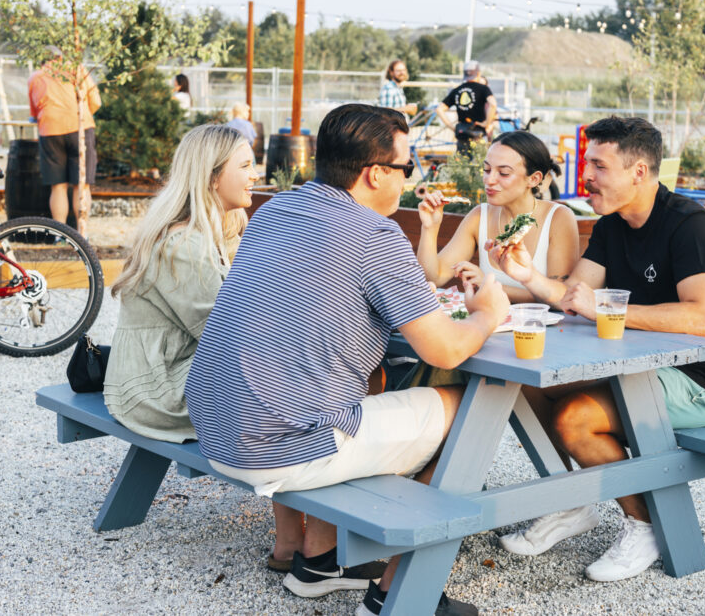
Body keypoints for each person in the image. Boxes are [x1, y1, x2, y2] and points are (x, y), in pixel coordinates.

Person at [185, 103, 509, 616]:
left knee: (367, 389)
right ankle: (398, 593)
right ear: (375, 172)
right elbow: (444, 348)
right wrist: (488, 315)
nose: (409, 179)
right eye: (407, 168)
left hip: (215, 425)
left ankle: (321, 561)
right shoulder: (377, 235)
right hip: (276, 444)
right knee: (467, 411)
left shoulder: (276, 210)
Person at [489, 116, 705, 583]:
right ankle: (572, 501)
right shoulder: (610, 226)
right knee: (521, 383)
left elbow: (700, 320)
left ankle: (645, 525)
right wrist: (525, 274)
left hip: (696, 381)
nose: (586, 176)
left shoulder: (691, 227)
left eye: (600, 166)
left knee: (575, 418)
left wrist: (608, 312)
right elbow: (573, 296)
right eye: (589, 163)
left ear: (639, 173)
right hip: (631, 367)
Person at [103, 125, 257, 443]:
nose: (255, 175)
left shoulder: (216, 232)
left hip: (172, 371)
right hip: (157, 391)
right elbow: (227, 334)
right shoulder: (182, 245)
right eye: (245, 166)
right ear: (212, 177)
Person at [416, 129, 578, 303]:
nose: (489, 179)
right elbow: (434, 277)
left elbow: (560, 297)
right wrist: (430, 228)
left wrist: (488, 284)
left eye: (504, 173)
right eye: (487, 169)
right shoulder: (480, 215)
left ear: (534, 179)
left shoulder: (558, 218)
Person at [27, 46, 101, 236]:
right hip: (80, 126)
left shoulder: (36, 77)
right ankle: (81, 233)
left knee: (58, 186)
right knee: (81, 184)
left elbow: (35, 112)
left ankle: (59, 235)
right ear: (61, 57)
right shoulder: (77, 69)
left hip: (50, 130)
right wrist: (82, 116)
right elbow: (96, 101)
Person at [436, 61, 497, 157]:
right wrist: (486, 123)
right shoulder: (483, 89)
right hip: (478, 132)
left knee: (463, 165)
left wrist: (452, 127)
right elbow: (493, 104)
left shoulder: (457, 90)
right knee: (480, 165)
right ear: (478, 73)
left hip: (462, 133)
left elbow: (439, 109)